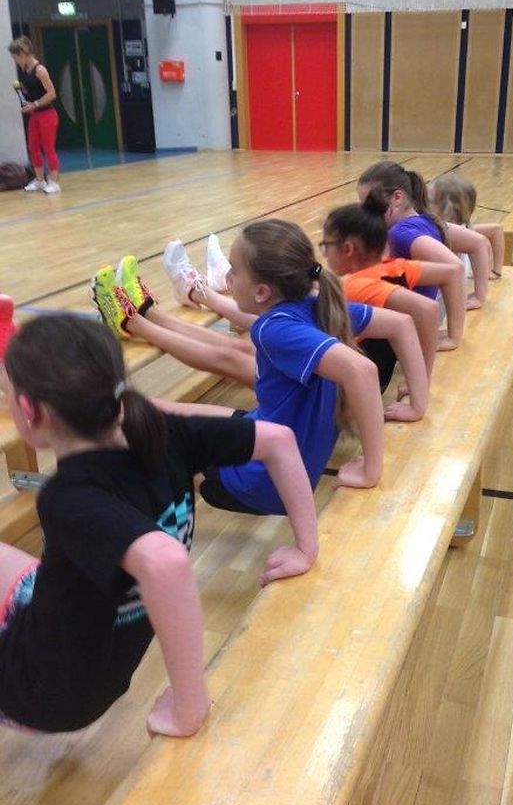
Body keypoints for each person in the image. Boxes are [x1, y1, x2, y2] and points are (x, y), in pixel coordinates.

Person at [0, 313, 319, 735]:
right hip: (83, 655)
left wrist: (190, 706)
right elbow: (279, 439)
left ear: (28, 411)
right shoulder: (162, 432)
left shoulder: (70, 497)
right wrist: (305, 548)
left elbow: (165, 562)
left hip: (41, 693)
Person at [92, 220, 426, 514]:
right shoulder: (318, 305)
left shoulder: (274, 329)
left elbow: (362, 371)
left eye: (233, 271)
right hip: (278, 440)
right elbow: (403, 324)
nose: (226, 277)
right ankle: (140, 318)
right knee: (162, 410)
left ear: (262, 291)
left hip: (262, 483)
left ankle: (101, 479)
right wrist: (417, 405)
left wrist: (371, 468)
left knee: (145, 428)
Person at [321, 191, 462, 384]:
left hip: (362, 382)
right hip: (383, 366)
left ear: (347, 249)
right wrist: (454, 336)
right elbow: (453, 271)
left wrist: (421, 383)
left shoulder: (355, 286)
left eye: (326, 246)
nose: (325, 253)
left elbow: (427, 308)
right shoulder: (396, 267)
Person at [356, 162, 466, 346]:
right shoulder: (425, 220)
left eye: (369, 205)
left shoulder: (400, 234)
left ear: (397, 198)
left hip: (394, 338)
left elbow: (456, 268)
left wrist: (453, 336)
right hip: (402, 330)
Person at [8, 36, 61, 194]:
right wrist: (23, 96)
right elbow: (33, 91)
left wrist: (35, 104)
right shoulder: (24, 70)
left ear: (22, 54)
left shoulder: (40, 70)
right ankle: (40, 180)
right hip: (35, 115)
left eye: (15, 57)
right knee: (33, 147)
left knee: (48, 148)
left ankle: (54, 182)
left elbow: (51, 93)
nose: (15, 61)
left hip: (47, 115)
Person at [429, 173, 505, 281]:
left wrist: (490, 272)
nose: (422, 204)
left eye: (429, 201)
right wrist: (495, 271)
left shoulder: (450, 236)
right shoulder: (466, 230)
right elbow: (496, 230)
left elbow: (494, 232)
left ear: (449, 209)